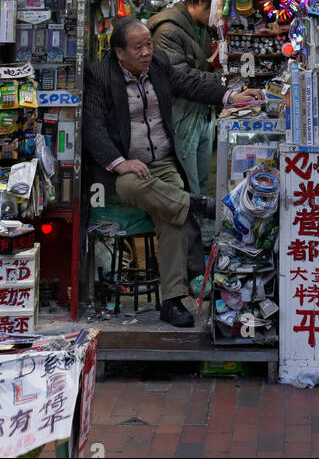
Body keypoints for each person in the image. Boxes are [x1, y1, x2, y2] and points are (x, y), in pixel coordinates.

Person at [82, 18, 260, 328]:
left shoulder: (159, 64)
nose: (147, 52)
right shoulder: (99, 75)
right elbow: (93, 127)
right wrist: (119, 162)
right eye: (138, 47)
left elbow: (190, 83)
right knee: (145, 190)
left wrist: (230, 96)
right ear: (119, 52)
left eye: (149, 44)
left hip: (162, 162)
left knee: (170, 215)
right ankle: (194, 205)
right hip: (123, 168)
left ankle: (173, 300)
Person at [148, 0, 218, 282]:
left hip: (200, 115)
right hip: (181, 117)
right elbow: (179, 76)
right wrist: (217, 82)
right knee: (189, 189)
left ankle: (202, 252)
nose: (217, 16)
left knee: (201, 184)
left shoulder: (199, 29)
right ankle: (193, 269)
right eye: (215, 8)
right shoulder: (167, 31)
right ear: (201, 2)